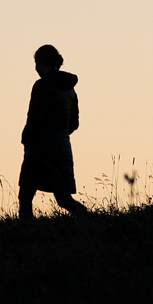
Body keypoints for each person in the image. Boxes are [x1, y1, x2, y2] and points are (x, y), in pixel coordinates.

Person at [18, 45, 90, 219]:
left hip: (40, 149)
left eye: (36, 63)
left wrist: (26, 138)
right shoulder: (70, 90)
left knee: (25, 194)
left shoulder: (41, 86)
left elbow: (34, 118)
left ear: (42, 63)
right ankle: (90, 220)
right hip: (62, 148)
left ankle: (25, 233)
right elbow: (74, 123)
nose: (35, 68)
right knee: (64, 198)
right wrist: (59, 134)